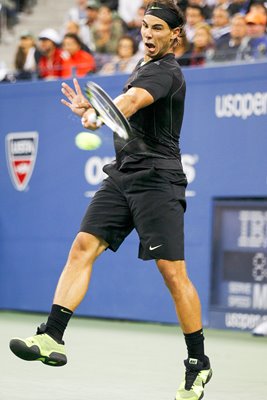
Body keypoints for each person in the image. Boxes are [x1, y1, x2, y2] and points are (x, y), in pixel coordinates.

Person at [9, 2, 212, 400]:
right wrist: (94, 112)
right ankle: (52, 337)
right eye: (144, 26)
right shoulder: (142, 64)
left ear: (176, 35)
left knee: (173, 275)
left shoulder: (165, 72)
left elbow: (131, 103)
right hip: (123, 174)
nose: (148, 34)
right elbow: (124, 116)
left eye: (157, 28)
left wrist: (101, 114)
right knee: (82, 248)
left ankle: (197, 362)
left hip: (158, 179)